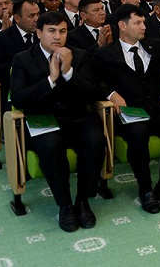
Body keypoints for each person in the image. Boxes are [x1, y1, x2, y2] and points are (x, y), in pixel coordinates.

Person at [10, 12, 106, 233]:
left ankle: (83, 200)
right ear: (39, 33)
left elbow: (94, 92)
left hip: (78, 116)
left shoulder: (79, 56)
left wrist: (69, 72)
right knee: (51, 145)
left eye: (62, 31)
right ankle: (64, 205)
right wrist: (51, 80)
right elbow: (19, 98)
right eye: (51, 31)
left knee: (95, 140)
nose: (57, 37)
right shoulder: (23, 59)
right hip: (43, 118)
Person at [94, 4, 160, 214]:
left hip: (156, 108)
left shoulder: (156, 45)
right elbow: (95, 81)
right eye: (138, 22)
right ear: (122, 26)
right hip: (128, 112)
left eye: (144, 22)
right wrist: (110, 94)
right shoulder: (106, 54)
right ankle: (145, 188)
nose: (144, 26)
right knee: (138, 134)